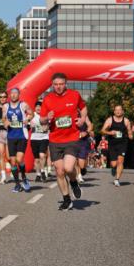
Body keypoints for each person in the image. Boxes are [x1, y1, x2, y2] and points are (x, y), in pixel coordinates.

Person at [39, 72, 87, 211]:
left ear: (65, 84)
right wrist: (47, 117)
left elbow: (83, 108)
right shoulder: (48, 99)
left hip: (72, 137)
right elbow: (42, 119)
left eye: (61, 84)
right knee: (59, 171)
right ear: (52, 85)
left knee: (68, 168)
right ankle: (67, 200)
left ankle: (73, 182)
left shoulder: (74, 94)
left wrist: (82, 119)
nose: (58, 87)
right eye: (55, 85)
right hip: (55, 139)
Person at [1, 87, 32, 192]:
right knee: (13, 161)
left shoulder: (23, 105)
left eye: (15, 93)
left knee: (19, 160)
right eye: (12, 93)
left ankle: (23, 177)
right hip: (11, 136)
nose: (13, 95)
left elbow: (31, 114)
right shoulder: (5, 106)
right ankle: (17, 184)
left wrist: (27, 119)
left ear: (19, 95)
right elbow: (3, 118)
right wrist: (6, 122)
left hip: (22, 135)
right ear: (10, 95)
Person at [101, 104, 132, 186]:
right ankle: (113, 168)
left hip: (123, 143)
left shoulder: (126, 121)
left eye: (120, 110)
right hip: (112, 144)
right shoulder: (109, 120)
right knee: (114, 163)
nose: (118, 111)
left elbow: (129, 132)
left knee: (121, 161)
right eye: (116, 110)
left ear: (122, 111)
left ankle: (117, 179)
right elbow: (102, 130)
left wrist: (131, 135)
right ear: (114, 111)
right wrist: (110, 132)